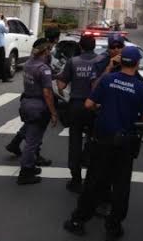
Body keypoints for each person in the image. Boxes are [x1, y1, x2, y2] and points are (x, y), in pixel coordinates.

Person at [64, 46, 143, 240]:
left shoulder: (108, 80)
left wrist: (103, 105)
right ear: (137, 64)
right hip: (125, 143)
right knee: (121, 186)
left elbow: (88, 104)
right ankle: (113, 226)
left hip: (102, 139)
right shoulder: (141, 87)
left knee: (94, 180)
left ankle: (78, 220)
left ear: (120, 61)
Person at [5, 27, 60, 165]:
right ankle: (31, 160)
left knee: (31, 126)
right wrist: (53, 112)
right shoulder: (45, 55)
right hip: (38, 98)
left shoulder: (35, 52)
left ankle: (16, 144)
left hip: (29, 97)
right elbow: (46, 82)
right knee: (34, 133)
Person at [57, 35, 99, 194]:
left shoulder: (72, 62)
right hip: (95, 106)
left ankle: (76, 179)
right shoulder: (101, 61)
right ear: (94, 46)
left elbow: (61, 85)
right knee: (95, 140)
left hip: (76, 105)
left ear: (80, 47)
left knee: (74, 141)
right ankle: (92, 176)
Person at [17, 38, 58, 185]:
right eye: (49, 50)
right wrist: (53, 113)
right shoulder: (43, 68)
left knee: (30, 138)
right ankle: (25, 172)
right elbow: (47, 93)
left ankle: (30, 166)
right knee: (32, 142)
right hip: (38, 106)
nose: (50, 52)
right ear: (45, 51)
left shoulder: (28, 64)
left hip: (27, 103)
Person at [0, 13, 9, 82]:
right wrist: (5, 22)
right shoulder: (0, 25)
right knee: (2, 62)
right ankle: (4, 78)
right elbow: (7, 31)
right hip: (0, 46)